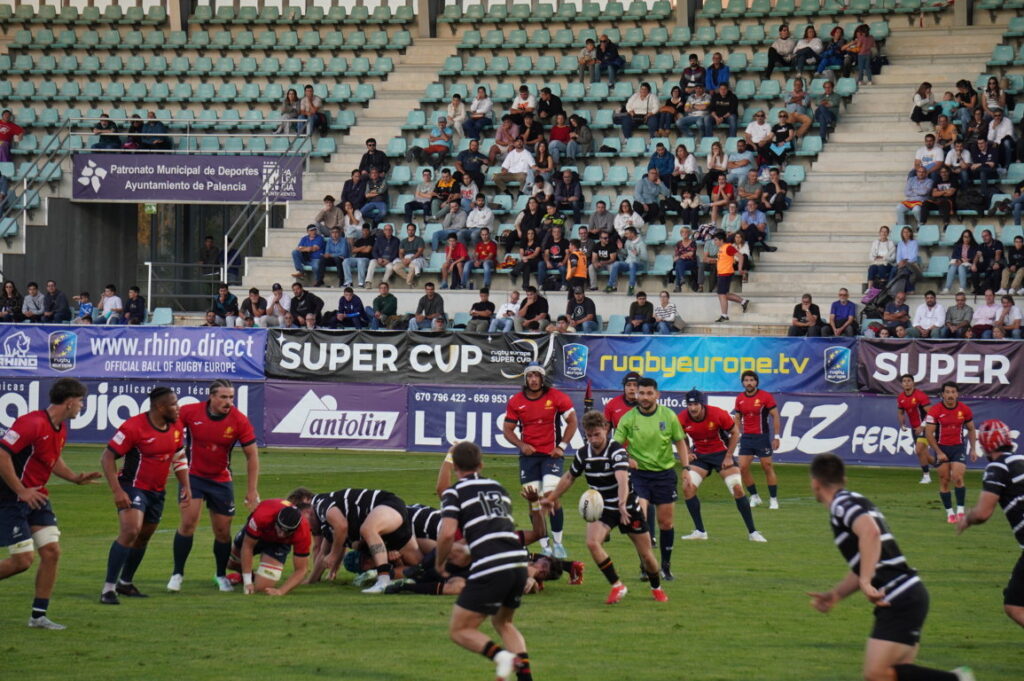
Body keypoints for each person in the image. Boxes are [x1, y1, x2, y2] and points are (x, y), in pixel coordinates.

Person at [807, 453, 976, 681]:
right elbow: (867, 559)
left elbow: (870, 532)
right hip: (908, 593)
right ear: (843, 479)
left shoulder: (841, 505)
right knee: (896, 673)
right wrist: (836, 594)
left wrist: (866, 581)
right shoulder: (854, 500)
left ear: (815, 483)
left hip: (900, 596)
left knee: (876, 673)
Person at [0, 379, 98, 629]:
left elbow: (52, 460)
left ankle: (38, 616)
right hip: (11, 498)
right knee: (22, 560)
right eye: (81, 401)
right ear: (69, 402)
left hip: (37, 497)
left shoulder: (60, 428)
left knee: (52, 552)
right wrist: (21, 490)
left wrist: (75, 478)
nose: (82, 406)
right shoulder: (32, 423)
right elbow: (2, 454)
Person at [542, 411, 668, 604]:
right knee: (592, 543)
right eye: (589, 435)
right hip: (602, 508)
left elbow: (622, 479)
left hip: (627, 506)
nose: (593, 439)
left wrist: (622, 504)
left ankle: (656, 588)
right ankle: (617, 586)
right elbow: (569, 477)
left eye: (597, 435)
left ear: (606, 430)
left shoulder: (616, 451)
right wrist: (551, 498)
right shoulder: (583, 454)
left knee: (646, 554)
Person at [437, 442, 532, 681]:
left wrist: (439, 563)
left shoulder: (454, 492)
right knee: (503, 622)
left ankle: (503, 657)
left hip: (492, 565)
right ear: (481, 464)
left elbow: (447, 534)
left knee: (460, 630)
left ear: (455, 467)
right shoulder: (499, 488)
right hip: (519, 563)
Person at [167, 380, 259, 593]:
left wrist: (252, 490)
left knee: (222, 531)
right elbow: (171, 431)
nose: (229, 402)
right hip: (192, 477)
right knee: (188, 523)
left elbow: (252, 455)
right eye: (224, 397)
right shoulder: (190, 412)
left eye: (231, 397)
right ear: (212, 397)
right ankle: (177, 574)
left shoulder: (239, 420)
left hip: (221, 480)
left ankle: (220, 575)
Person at [99, 387, 189, 604]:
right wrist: (117, 491)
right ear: (160, 407)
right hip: (133, 487)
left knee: (143, 537)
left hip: (157, 491)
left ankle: (125, 583)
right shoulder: (133, 427)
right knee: (131, 530)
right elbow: (107, 458)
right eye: (173, 404)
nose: (178, 408)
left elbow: (179, 457)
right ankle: (108, 589)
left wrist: (186, 485)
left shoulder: (176, 426)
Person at [613, 376, 686, 579]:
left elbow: (680, 442)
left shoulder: (668, 415)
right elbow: (616, 446)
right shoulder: (628, 418)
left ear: (657, 395)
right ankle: (646, 565)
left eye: (649, 393)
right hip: (639, 476)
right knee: (641, 519)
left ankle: (666, 567)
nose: (644, 397)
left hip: (664, 475)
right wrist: (626, 458)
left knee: (666, 523)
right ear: (637, 395)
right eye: (641, 393)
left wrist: (686, 468)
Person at [502, 363, 577, 559]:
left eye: (537, 375)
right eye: (530, 376)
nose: (533, 379)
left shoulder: (557, 397)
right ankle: (545, 545)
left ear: (543, 379)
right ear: (525, 379)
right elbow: (507, 429)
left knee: (551, 495)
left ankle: (558, 543)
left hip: (551, 455)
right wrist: (521, 445)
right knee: (532, 499)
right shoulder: (516, 401)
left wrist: (562, 447)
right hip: (528, 457)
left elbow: (573, 421)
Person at [957, 419, 1024, 629]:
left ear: (986, 445)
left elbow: (983, 513)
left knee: (1015, 606)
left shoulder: (998, 467)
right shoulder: (1021, 459)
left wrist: (967, 519)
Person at [678, 388, 765, 543]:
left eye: (696, 404)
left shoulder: (717, 413)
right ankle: (700, 531)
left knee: (737, 488)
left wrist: (729, 456)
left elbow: (735, 433)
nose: (692, 408)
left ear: (702, 404)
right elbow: (679, 437)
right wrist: (688, 452)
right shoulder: (682, 418)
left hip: (721, 454)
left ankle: (753, 532)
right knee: (687, 487)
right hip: (700, 456)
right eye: (689, 405)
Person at [227, 496, 311, 597]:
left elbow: (301, 569)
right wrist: (247, 582)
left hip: (279, 544)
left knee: (262, 587)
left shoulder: (303, 531)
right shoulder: (261, 516)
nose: (282, 534)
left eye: (287, 532)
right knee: (230, 562)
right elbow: (248, 546)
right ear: (276, 521)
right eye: (280, 529)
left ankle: (258, 577)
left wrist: (281, 591)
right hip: (259, 534)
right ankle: (249, 576)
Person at [924, 382, 978, 524]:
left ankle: (960, 511)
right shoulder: (935, 410)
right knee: (944, 480)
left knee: (957, 477)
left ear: (957, 394)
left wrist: (973, 449)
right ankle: (950, 513)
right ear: (943, 394)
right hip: (941, 448)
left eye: (953, 392)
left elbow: (971, 429)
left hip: (958, 448)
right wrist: (938, 452)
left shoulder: (964, 409)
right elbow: (929, 433)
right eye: (947, 392)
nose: (950, 395)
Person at [733, 371, 781, 511]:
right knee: (742, 468)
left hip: (762, 437)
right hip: (747, 438)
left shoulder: (765, 396)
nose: (749, 383)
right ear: (743, 383)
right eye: (746, 380)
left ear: (756, 382)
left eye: (751, 380)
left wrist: (777, 437)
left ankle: (773, 499)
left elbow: (775, 416)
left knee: (767, 467)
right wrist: (736, 434)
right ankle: (754, 496)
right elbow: (737, 418)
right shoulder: (740, 398)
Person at [896, 374, 934, 485]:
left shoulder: (920, 396)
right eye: (904, 381)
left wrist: (922, 426)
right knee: (925, 455)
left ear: (913, 383)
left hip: (926, 427)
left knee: (918, 450)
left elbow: (931, 413)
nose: (907, 383)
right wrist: (902, 423)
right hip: (914, 428)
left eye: (909, 381)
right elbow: (900, 412)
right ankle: (944, 465)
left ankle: (926, 476)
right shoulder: (901, 397)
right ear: (902, 384)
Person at [712, 231, 750, 323]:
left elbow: (740, 256)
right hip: (721, 273)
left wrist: (740, 269)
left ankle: (724, 315)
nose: (714, 242)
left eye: (716, 240)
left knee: (722, 294)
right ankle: (743, 301)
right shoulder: (721, 248)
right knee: (724, 294)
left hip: (726, 273)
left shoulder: (728, 247)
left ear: (721, 240)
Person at [607, 226, 646, 295]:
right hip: (628, 262)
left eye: (627, 234)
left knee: (632, 264)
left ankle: (631, 287)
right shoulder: (627, 242)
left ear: (632, 233)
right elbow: (625, 253)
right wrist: (620, 249)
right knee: (616, 264)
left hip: (639, 264)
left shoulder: (641, 243)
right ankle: (610, 286)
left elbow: (645, 258)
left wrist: (637, 255)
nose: (625, 235)